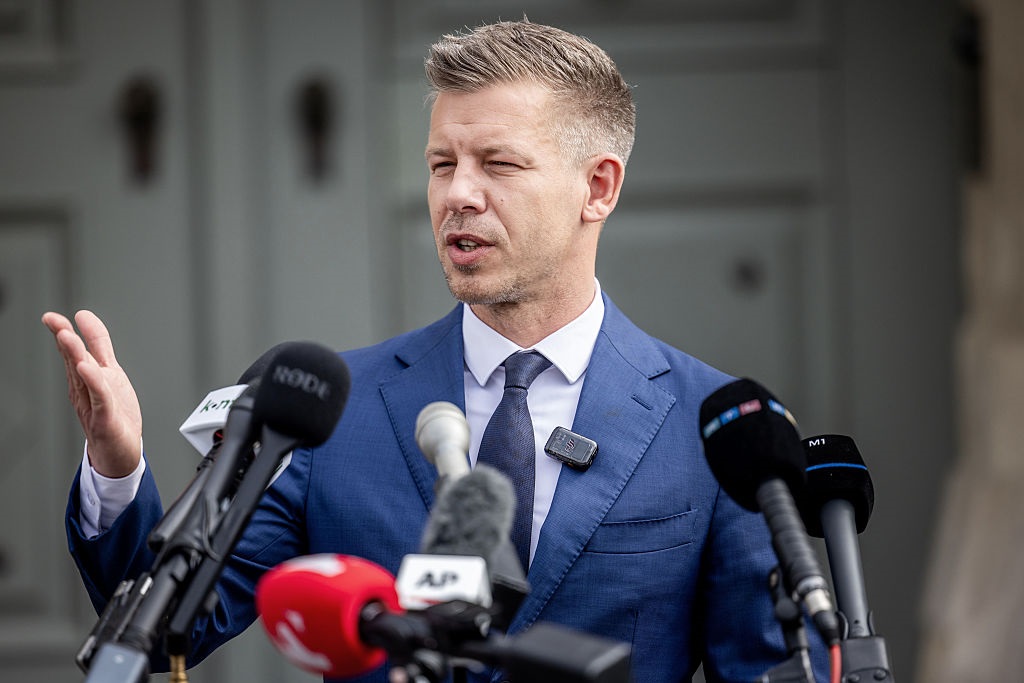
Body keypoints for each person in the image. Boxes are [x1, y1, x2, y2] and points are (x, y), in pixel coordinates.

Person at [44, 20, 827, 683]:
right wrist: (116, 468)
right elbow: (162, 630)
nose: (458, 194)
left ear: (599, 187)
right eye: (442, 164)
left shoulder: (714, 426)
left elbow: (764, 665)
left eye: (499, 163)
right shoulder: (330, 410)